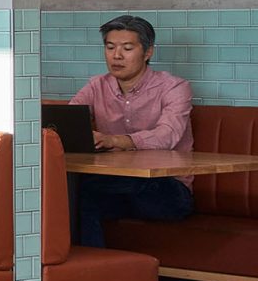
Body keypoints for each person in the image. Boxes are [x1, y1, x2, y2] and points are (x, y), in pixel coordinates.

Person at [68, 14, 195, 247]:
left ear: (148, 52)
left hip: (168, 189)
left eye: (127, 48)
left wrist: (117, 140)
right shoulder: (97, 85)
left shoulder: (175, 87)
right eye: (110, 47)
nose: (116, 56)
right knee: (77, 192)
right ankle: (91, 270)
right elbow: (69, 119)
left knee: (89, 187)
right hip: (115, 186)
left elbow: (167, 135)